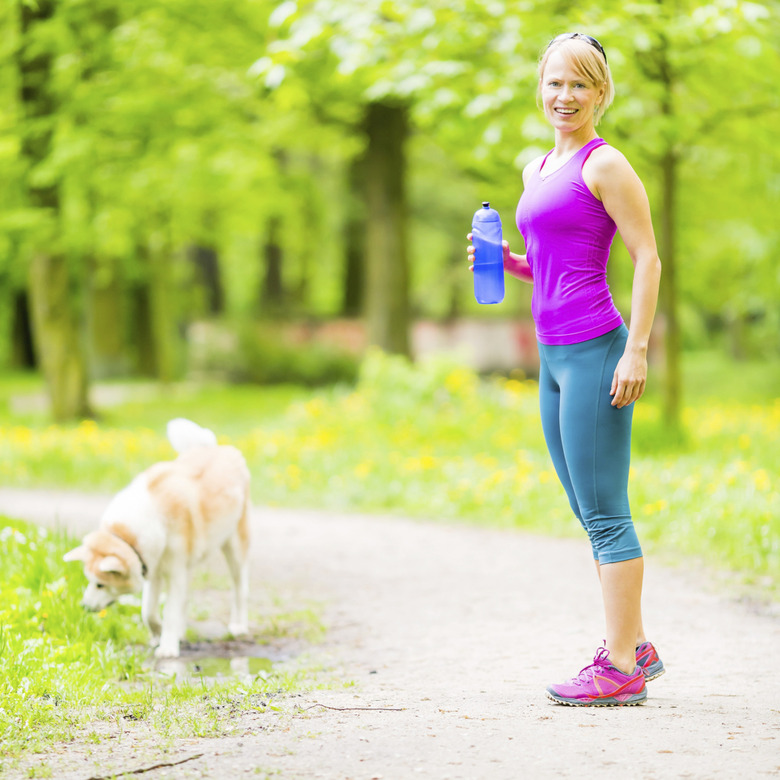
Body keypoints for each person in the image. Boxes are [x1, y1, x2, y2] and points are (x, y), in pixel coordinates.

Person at [468, 32, 664, 706]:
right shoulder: (536, 169)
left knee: (607, 513)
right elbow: (552, 259)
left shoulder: (606, 165)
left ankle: (619, 667)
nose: (565, 95)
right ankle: (634, 645)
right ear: (540, 87)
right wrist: (510, 264)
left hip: (598, 350)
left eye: (580, 84)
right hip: (553, 356)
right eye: (555, 82)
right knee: (587, 510)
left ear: (600, 92)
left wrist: (637, 347)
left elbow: (646, 257)